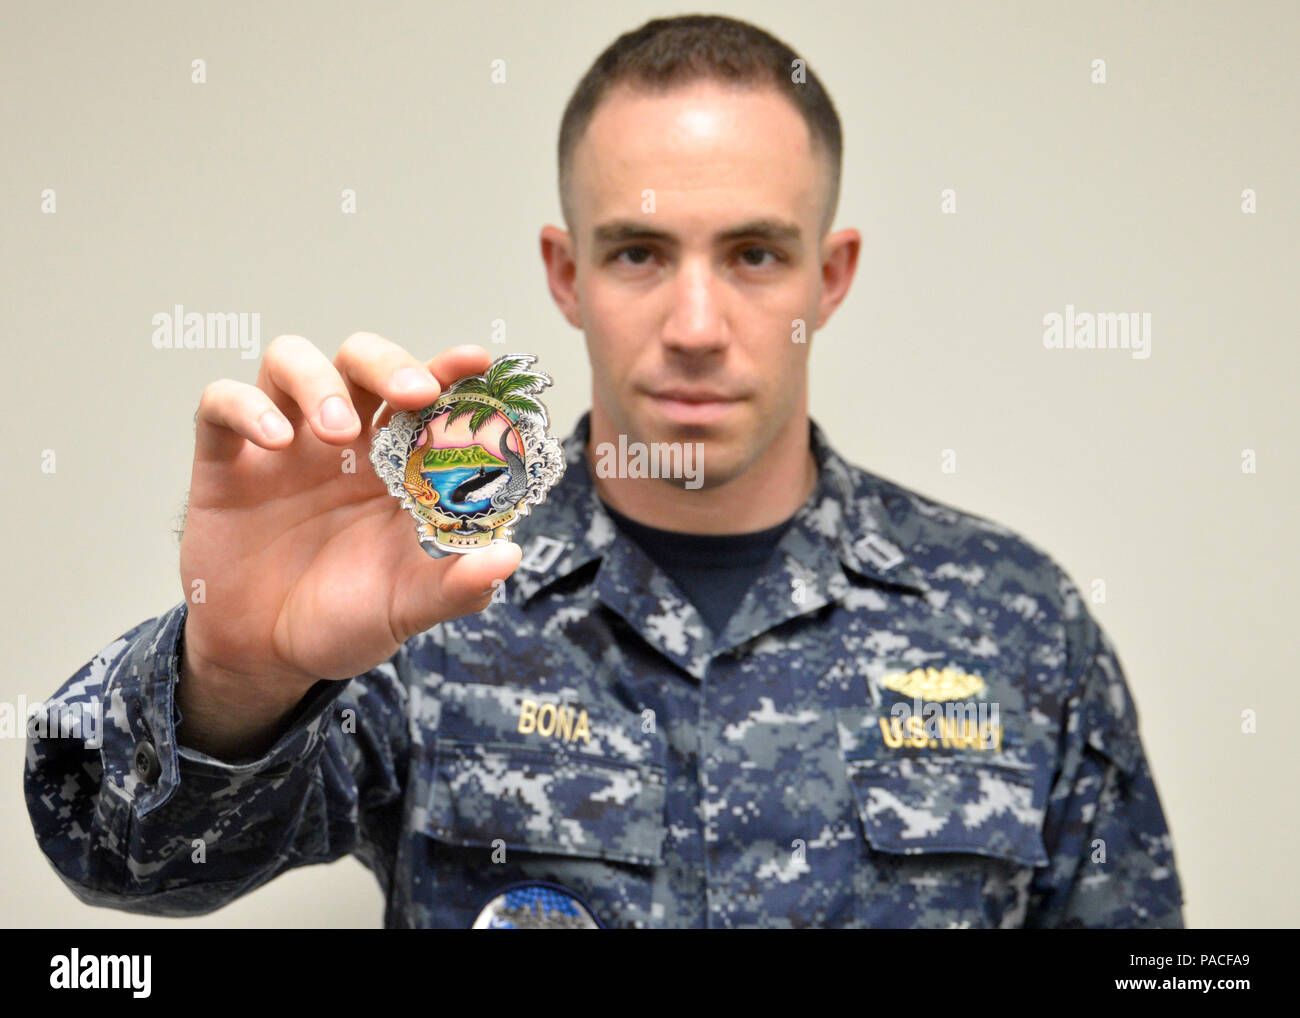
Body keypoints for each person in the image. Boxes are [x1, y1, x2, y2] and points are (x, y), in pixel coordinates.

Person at [24, 14, 1184, 928]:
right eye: (637, 251)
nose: (694, 321)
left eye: (754, 254)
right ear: (564, 272)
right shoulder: (428, 598)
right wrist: (233, 671)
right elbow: (124, 863)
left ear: (828, 276)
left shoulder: (1016, 621)